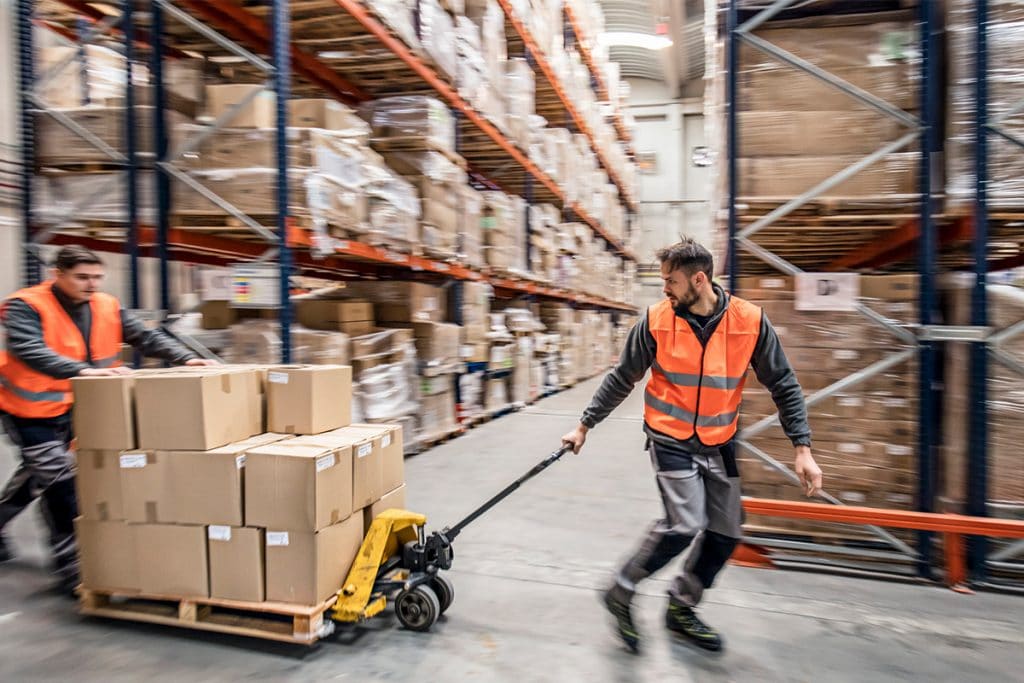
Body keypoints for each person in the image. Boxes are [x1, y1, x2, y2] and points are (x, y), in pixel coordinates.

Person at [561, 238, 822, 654]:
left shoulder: (749, 321)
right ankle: (621, 589)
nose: (665, 288)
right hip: (670, 438)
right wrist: (584, 425)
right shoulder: (656, 320)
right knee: (683, 524)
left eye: (671, 281)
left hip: (719, 440)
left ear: (699, 280)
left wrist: (802, 448)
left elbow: (783, 383)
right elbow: (622, 376)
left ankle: (681, 605)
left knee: (726, 531)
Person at [0, 245, 217, 592]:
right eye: (82, 277)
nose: (91, 285)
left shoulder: (106, 305)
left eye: (97, 277)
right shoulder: (26, 305)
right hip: (28, 410)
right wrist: (81, 370)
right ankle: (74, 566)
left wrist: (185, 358)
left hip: (77, 406)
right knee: (61, 481)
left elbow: (145, 336)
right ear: (58, 274)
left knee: (37, 476)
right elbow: (29, 349)